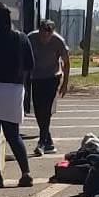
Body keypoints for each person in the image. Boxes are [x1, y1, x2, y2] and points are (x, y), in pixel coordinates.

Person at [0, 2, 34, 188]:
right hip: (14, 90)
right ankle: (26, 173)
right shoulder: (21, 38)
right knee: (13, 134)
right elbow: (29, 66)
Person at [27, 19, 71, 157]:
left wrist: (65, 83)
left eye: (48, 34)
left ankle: (41, 142)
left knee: (46, 110)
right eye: (42, 34)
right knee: (39, 110)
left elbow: (66, 62)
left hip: (52, 77)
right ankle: (48, 140)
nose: (44, 38)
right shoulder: (31, 38)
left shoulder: (58, 41)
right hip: (36, 77)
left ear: (52, 33)